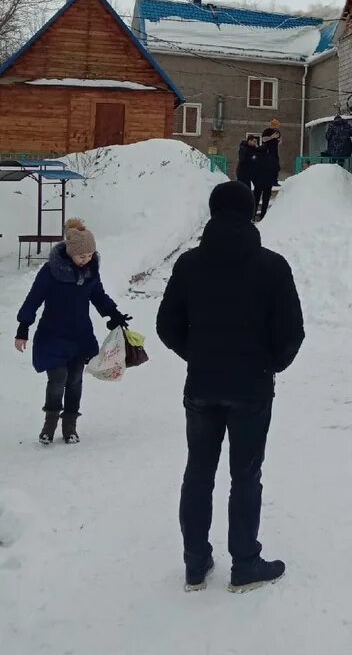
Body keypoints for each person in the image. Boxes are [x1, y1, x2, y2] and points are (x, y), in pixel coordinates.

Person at [156, 181, 304, 594]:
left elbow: (166, 326)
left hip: (202, 385)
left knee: (198, 474)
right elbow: (292, 333)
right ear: (249, 214)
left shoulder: (189, 265)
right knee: (246, 475)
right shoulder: (272, 267)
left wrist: (198, 355)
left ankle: (195, 564)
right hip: (251, 389)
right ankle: (244, 563)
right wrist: (267, 366)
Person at [14, 218, 132, 445]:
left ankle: (70, 426)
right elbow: (33, 300)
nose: (85, 260)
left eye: (89, 256)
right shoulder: (51, 272)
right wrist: (23, 328)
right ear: (70, 252)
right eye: (81, 256)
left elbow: (99, 297)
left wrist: (114, 314)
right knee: (58, 378)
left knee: (75, 379)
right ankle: (49, 424)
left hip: (79, 336)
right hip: (52, 335)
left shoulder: (89, 273)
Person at [261, 121, 282, 190]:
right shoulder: (267, 131)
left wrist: (279, 138)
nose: (276, 127)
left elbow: (280, 142)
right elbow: (264, 139)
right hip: (268, 151)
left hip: (275, 152)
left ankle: (274, 181)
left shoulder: (278, 131)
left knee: (275, 167)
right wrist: (272, 137)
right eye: (276, 125)